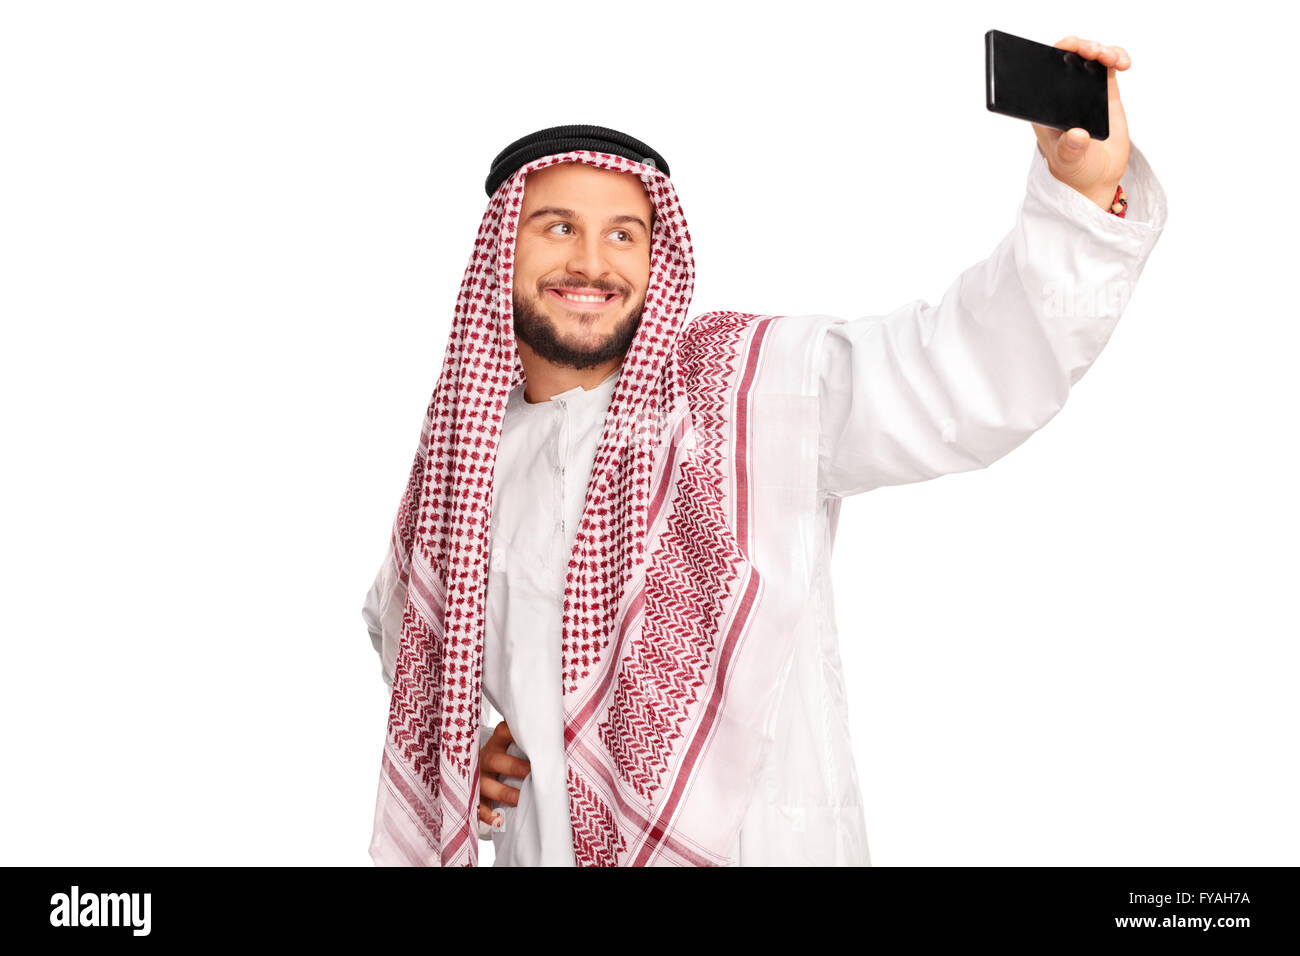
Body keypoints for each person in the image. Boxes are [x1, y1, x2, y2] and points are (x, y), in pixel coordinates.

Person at [362, 35, 1167, 867]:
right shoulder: (461, 467)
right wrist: (493, 737)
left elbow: (961, 369)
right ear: (502, 252)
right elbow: (417, 639)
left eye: (625, 236)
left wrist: (1083, 191)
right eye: (558, 227)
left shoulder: (748, 395)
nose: (592, 263)